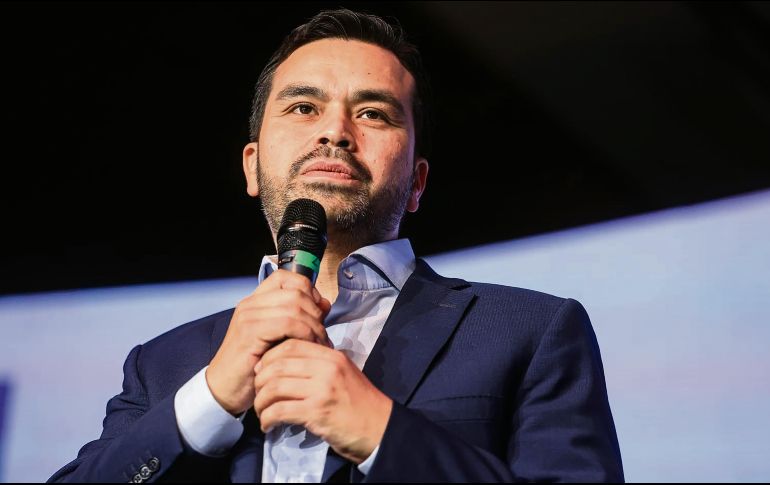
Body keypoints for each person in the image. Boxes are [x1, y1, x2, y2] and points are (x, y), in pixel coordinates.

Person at [49, 8, 624, 483]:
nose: (334, 132)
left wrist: (382, 432)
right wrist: (208, 400)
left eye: (373, 113)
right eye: (303, 107)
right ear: (252, 167)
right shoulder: (162, 365)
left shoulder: (531, 331)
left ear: (418, 181)